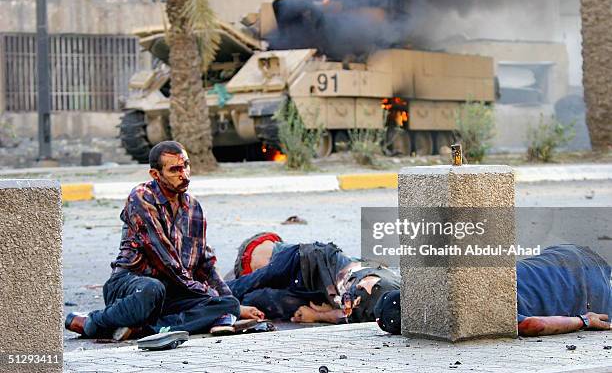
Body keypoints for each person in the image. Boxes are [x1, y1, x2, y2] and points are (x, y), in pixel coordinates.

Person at [65, 141, 264, 340]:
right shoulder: (141, 198)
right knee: (153, 289)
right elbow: (167, 261)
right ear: (156, 174)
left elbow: (206, 264)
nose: (184, 174)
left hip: (174, 291)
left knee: (227, 304)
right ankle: (93, 322)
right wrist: (215, 299)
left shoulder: (194, 208)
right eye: (175, 170)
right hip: (132, 285)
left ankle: (148, 328)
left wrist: (233, 304)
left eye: (186, 165)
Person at [374, 245, 612, 337]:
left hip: (581, 290)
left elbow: (532, 325)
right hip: (565, 256)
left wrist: (583, 321)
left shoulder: (462, 314)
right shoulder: (445, 284)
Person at [226, 233, 400, 324]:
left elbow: (346, 316)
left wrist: (317, 315)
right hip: (311, 261)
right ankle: (217, 291)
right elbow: (344, 315)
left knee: (258, 300)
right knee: (257, 279)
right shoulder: (378, 293)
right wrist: (319, 316)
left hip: (319, 292)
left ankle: (223, 302)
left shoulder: (381, 309)